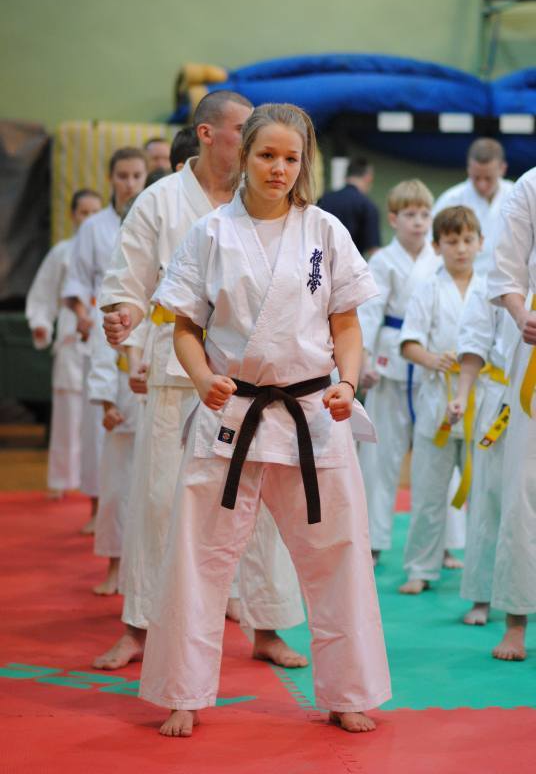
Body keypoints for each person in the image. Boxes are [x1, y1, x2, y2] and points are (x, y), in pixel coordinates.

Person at [138, 102, 391, 738]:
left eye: (291, 158)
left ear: (305, 163)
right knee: (196, 557)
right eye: (267, 155)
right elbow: (185, 327)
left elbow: (346, 324)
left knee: (339, 555)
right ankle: (182, 692)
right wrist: (204, 380)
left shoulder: (324, 230)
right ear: (244, 156)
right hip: (233, 412)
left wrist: (347, 382)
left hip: (313, 411)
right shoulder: (211, 233)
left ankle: (348, 692)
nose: (279, 168)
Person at [97, 92, 307, 672]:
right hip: (177, 373)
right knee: (160, 504)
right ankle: (139, 627)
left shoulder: (265, 199)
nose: (254, 140)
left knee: (261, 508)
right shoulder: (160, 201)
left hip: (253, 378)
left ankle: (267, 626)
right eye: (243, 129)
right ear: (208, 134)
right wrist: (124, 315)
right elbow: (129, 281)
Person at [398, 206, 485, 594]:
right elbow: (409, 342)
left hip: (483, 399)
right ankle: (420, 567)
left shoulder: (491, 290)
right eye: (452, 242)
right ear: (437, 246)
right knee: (429, 488)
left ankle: (483, 573)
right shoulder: (428, 289)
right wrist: (433, 359)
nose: (461, 249)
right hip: (438, 397)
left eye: (467, 240)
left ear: (481, 243)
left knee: (484, 492)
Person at [62, 148, 147, 533]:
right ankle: (97, 508)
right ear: (110, 178)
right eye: (122, 176)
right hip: (104, 322)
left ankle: (130, 520)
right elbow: (78, 279)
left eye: (136, 175)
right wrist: (83, 314)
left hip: (140, 323)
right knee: (99, 430)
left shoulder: (150, 217)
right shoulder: (94, 227)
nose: (129, 183)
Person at [358, 180, 439, 564]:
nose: (419, 222)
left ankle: (441, 542)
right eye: (410, 215)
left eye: (424, 214)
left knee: (436, 454)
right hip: (389, 362)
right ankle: (372, 540)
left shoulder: (438, 259)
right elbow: (368, 313)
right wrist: (364, 361)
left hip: (429, 361)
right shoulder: (382, 261)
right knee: (381, 455)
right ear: (393, 219)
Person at [487, 166, 536, 661]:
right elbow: (507, 272)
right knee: (524, 485)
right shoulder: (531, 185)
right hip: (535, 345)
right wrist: (523, 316)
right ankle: (516, 620)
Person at [26, 189, 102, 499]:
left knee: (99, 415)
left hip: (103, 343)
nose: (89, 218)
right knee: (67, 414)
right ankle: (62, 479)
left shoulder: (111, 249)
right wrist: (42, 323)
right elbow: (43, 293)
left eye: (95, 212)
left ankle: (96, 482)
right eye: (83, 212)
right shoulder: (62, 252)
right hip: (71, 343)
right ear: (72, 215)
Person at [446, 289, 513, 625]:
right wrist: (461, 394)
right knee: (487, 498)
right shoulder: (492, 281)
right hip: (500, 397)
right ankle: (481, 595)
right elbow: (474, 343)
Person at [87, 322, 144, 595]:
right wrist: (107, 405)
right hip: (124, 399)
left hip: (166, 397)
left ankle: (150, 575)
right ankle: (115, 567)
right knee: (115, 492)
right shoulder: (116, 306)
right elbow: (102, 354)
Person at [433, 138, 514, 275]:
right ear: (469, 169)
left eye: (488, 178)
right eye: (476, 177)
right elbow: (433, 247)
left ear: (502, 169)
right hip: (461, 279)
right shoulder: (451, 200)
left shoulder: (516, 196)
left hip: (508, 278)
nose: (482, 185)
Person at [318, 157, 381, 257]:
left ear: (346, 176)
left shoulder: (325, 199)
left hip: (318, 262)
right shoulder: (368, 206)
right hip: (349, 264)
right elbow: (374, 251)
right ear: (368, 177)